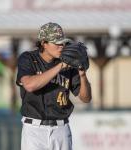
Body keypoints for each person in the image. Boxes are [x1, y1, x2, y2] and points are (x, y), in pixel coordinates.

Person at [16, 22, 92, 150]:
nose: (61, 46)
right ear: (44, 43)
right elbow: (29, 85)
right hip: (34, 130)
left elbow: (86, 98)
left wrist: (83, 76)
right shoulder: (28, 58)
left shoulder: (69, 63)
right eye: (57, 43)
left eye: (62, 43)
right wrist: (60, 66)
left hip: (61, 130)